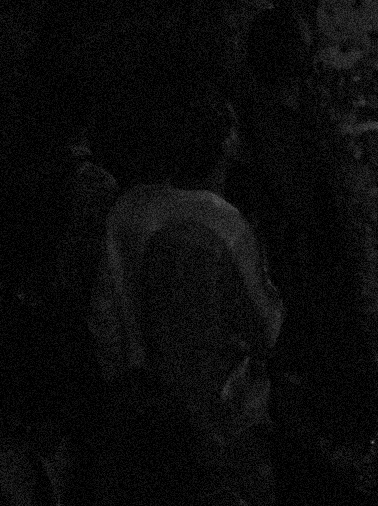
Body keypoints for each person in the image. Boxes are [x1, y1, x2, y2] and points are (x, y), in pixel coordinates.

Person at [90, 82, 282, 505]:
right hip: (221, 418)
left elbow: (105, 315)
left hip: (146, 412)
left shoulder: (128, 208)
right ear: (225, 140)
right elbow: (266, 324)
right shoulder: (223, 221)